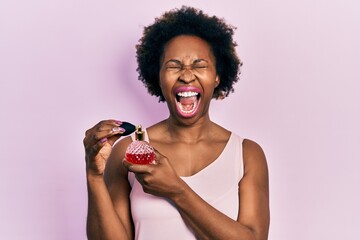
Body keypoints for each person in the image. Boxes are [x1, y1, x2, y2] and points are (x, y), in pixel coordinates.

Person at [83, 6, 270, 240]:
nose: (186, 74)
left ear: (216, 76)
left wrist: (176, 189)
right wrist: (94, 176)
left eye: (200, 65)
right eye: (173, 65)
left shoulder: (247, 154)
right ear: (158, 76)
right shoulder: (127, 151)